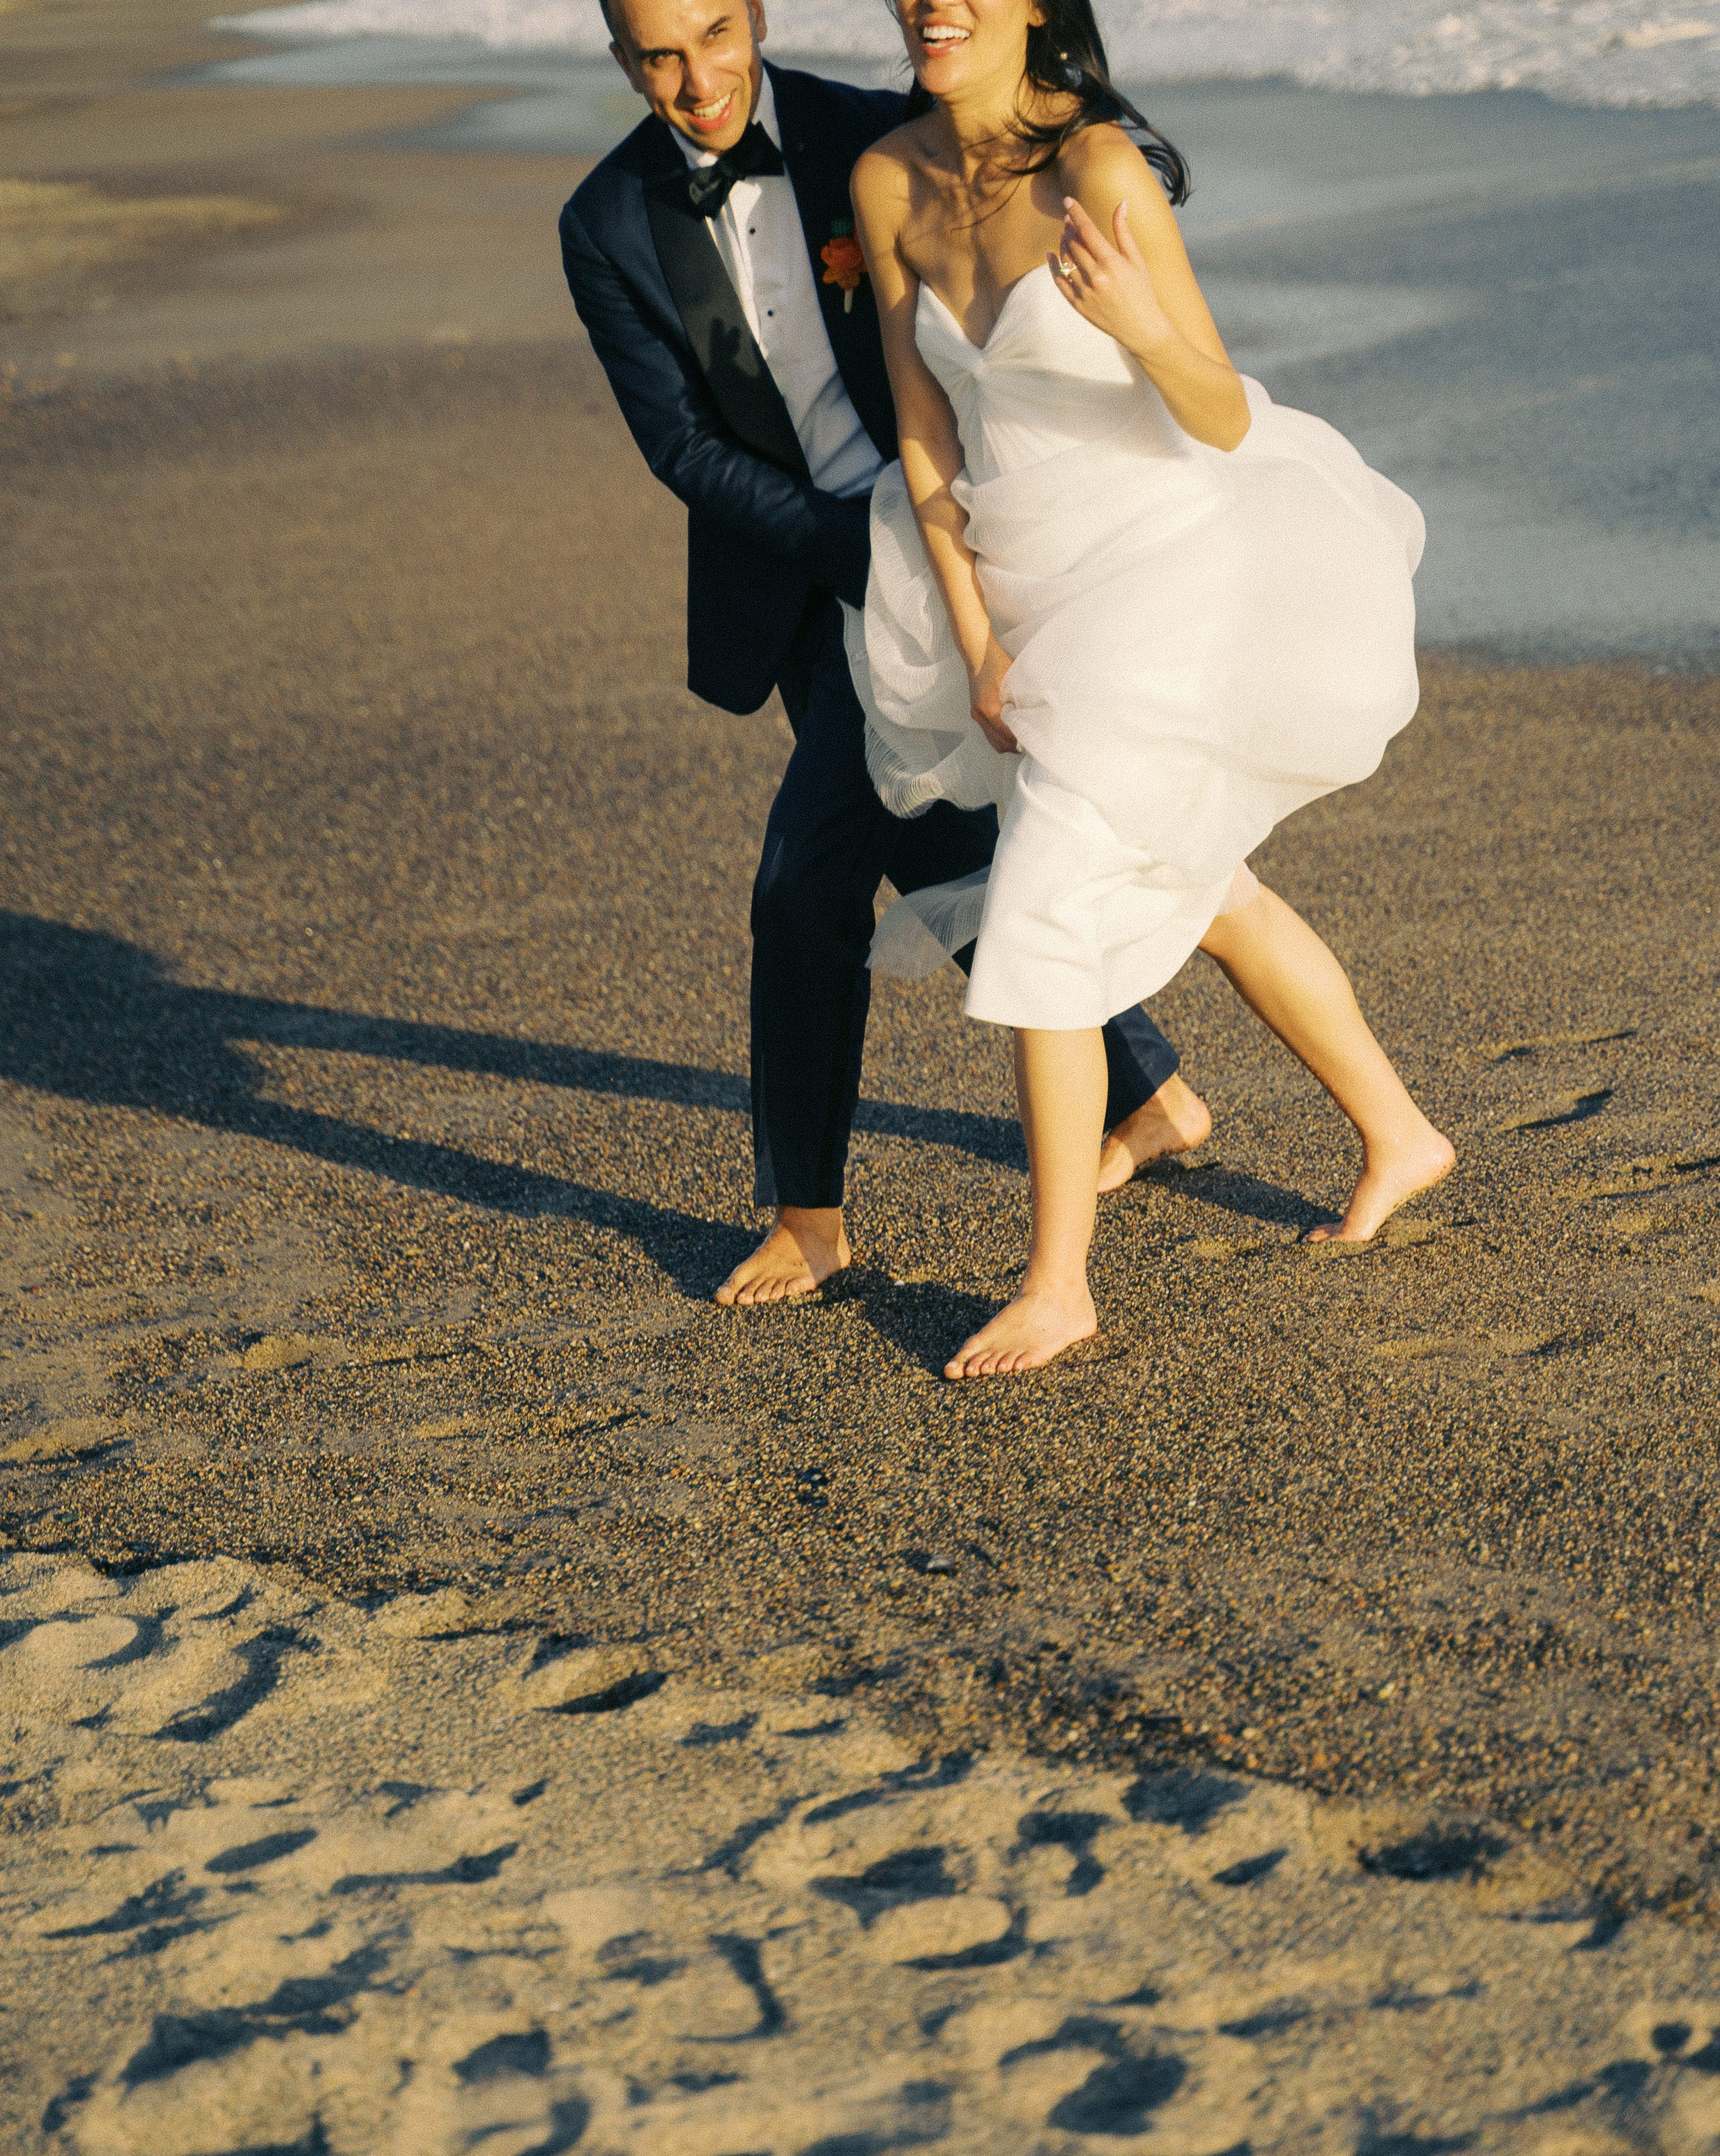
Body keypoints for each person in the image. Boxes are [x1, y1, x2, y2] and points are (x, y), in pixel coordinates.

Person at [559, 0, 1212, 1308]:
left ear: (755, 13)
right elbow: (684, 451)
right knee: (925, 838)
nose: (699, 82)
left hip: (971, 549)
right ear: (622, 61)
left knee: (808, 882)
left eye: (718, 35)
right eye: (661, 57)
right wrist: (869, 563)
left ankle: (811, 1218)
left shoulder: (879, 140)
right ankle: (1153, 1098)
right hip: (820, 579)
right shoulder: (606, 221)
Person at [849, 0, 1455, 1378]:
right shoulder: (886, 178)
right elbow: (922, 427)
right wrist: (979, 639)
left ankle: (1056, 1282)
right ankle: (1398, 1134)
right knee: (1213, 891)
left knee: (1047, 909)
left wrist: (1137, 320)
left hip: (1164, 574)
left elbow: (1221, 416)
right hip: (1027, 590)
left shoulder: (1099, 170)